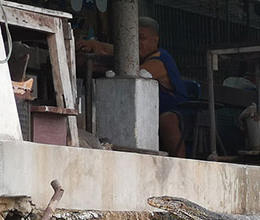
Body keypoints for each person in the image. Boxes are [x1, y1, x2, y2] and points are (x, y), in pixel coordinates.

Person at [78, 17, 189, 158]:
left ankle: (179, 161)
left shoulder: (160, 59)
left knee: (167, 121)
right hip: (149, 114)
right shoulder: (138, 56)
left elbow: (138, 75)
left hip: (179, 111)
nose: (136, 43)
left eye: (142, 38)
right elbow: (116, 49)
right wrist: (94, 44)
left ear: (155, 40)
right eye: (133, 38)